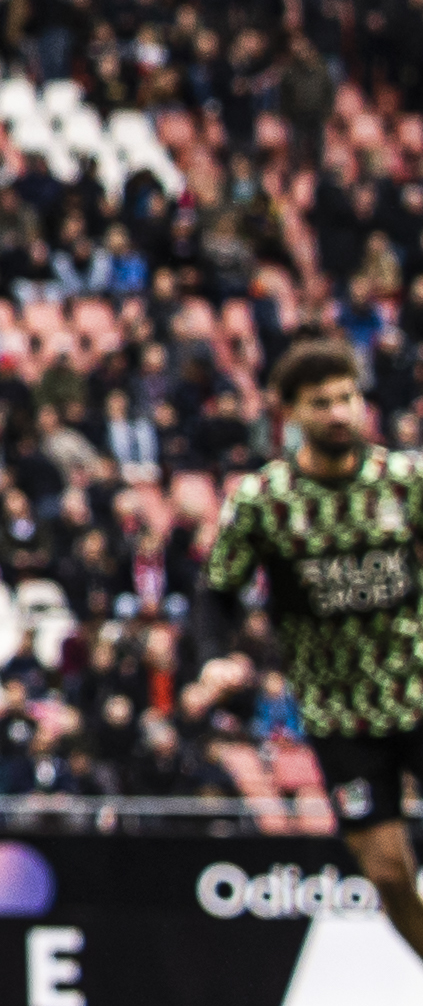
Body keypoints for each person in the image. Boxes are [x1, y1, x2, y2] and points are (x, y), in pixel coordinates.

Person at [205, 336, 423, 967]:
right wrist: (217, 654)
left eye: (348, 398)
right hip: (339, 710)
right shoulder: (264, 501)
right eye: (321, 402)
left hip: (417, 688)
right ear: (289, 414)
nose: (338, 413)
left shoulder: (404, 482)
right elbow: (217, 591)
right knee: (385, 871)